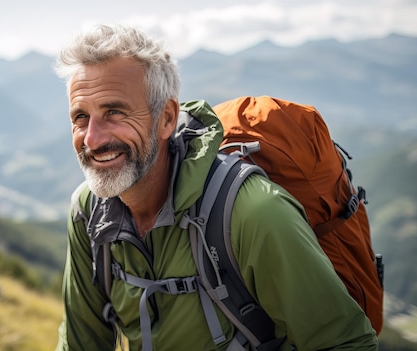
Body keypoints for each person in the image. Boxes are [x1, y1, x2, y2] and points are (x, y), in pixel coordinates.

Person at [54, 24, 378, 351]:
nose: (92, 139)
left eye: (114, 112)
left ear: (166, 119)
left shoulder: (252, 213)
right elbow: (80, 343)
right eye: (80, 117)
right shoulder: (90, 213)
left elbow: (346, 344)